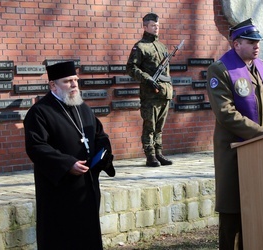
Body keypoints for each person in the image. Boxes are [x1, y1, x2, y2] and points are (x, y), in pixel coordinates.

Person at [206, 19, 263, 249]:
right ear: (236, 44)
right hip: (234, 153)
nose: (257, 45)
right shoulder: (220, 70)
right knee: (233, 214)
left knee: (259, 212)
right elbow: (225, 114)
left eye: (258, 41)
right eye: (251, 42)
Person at [23, 61, 115, 250]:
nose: (74, 85)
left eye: (75, 80)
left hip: (86, 187)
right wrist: (67, 164)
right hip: (59, 190)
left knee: (87, 235)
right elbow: (36, 147)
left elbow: (100, 135)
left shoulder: (83, 107)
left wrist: (102, 154)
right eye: (67, 81)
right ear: (53, 85)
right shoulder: (40, 112)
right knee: (62, 237)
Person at [126, 12, 173, 167]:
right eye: (153, 25)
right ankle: (150, 155)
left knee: (160, 127)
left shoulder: (162, 46)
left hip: (164, 92)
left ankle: (159, 153)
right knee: (150, 126)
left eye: (157, 26)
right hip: (150, 94)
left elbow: (167, 72)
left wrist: (169, 88)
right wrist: (147, 78)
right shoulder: (140, 47)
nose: (156, 28)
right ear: (145, 26)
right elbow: (131, 68)